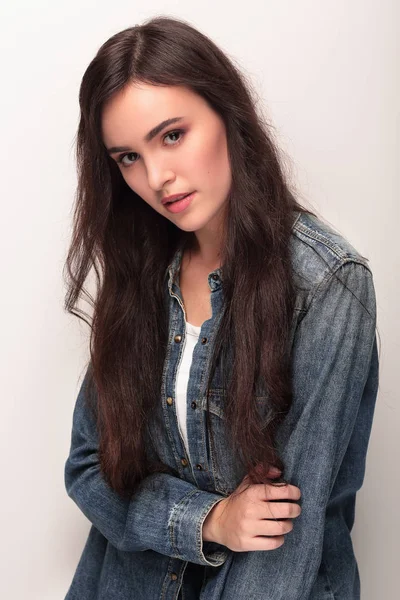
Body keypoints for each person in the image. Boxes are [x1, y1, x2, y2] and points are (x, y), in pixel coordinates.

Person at [63, 15, 379, 600]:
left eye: (172, 135)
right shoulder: (138, 280)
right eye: (128, 157)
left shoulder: (327, 286)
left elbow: (290, 532)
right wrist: (208, 521)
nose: (157, 177)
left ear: (227, 115)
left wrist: (227, 522)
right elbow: (88, 470)